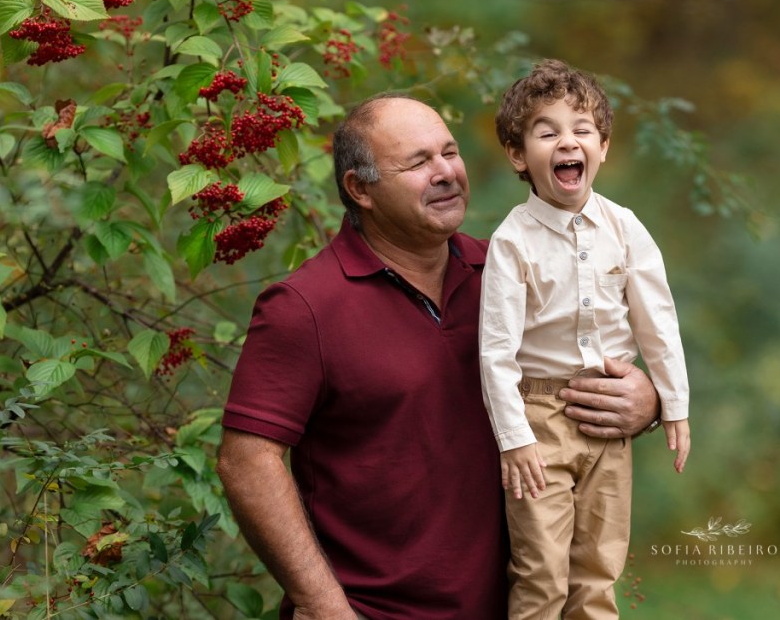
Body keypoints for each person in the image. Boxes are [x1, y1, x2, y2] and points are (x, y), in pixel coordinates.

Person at [216, 92, 664, 619]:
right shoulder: (306, 306)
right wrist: (324, 608)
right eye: (417, 162)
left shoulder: (506, 269)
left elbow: (590, 361)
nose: (446, 172)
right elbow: (247, 461)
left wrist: (647, 402)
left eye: (450, 153)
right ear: (360, 189)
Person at [479, 59, 691, 619]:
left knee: (598, 575)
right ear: (519, 155)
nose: (567, 142)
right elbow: (495, 352)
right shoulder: (512, 242)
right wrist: (513, 438)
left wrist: (675, 406)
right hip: (538, 422)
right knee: (541, 575)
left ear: (602, 148)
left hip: (608, 422)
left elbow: (657, 321)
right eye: (547, 132)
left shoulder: (625, 228)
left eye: (582, 130)